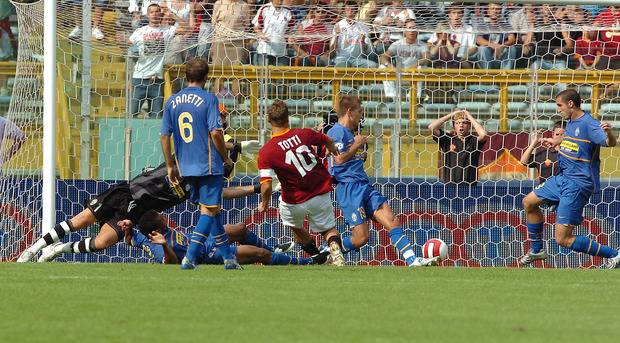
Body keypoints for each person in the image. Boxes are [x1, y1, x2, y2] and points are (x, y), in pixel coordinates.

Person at [15, 159, 260, 263]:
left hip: (135, 212)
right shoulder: (181, 161)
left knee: (102, 243)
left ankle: (60, 249)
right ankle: (32, 250)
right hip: (125, 194)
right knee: (78, 222)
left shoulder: (195, 190)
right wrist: (231, 145)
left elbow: (222, 193)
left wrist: (255, 188)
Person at [327, 95, 436, 267]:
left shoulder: (350, 133)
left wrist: (359, 155)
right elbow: (338, 160)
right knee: (361, 238)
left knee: (392, 220)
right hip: (349, 188)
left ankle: (412, 260)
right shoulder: (336, 132)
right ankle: (326, 253)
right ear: (349, 112)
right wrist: (356, 146)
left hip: (364, 185)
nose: (361, 116)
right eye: (359, 112)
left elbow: (348, 158)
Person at [520, 89, 620, 268]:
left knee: (563, 239)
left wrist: (610, 133)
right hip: (562, 178)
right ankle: (537, 250)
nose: (558, 109)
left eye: (559, 105)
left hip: (577, 184)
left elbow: (608, 143)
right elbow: (573, 137)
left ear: (571, 104)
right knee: (529, 202)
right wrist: (557, 142)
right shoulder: (571, 122)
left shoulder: (589, 123)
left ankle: (614, 254)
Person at [161, 57, 238, 270]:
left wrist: (170, 165)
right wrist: (225, 158)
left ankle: (229, 259)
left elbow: (164, 135)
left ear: (186, 76)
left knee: (212, 211)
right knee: (208, 212)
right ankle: (190, 258)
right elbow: (215, 132)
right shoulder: (209, 99)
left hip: (185, 165)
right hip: (208, 164)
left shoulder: (172, 101)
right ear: (206, 77)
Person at [257, 100, 346, 266]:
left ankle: (318, 257)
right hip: (319, 192)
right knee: (328, 230)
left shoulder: (266, 151)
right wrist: (332, 147)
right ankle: (335, 251)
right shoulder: (304, 133)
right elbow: (325, 138)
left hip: (294, 200)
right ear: (288, 118)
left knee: (295, 226)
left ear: (268, 119)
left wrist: (264, 203)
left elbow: (267, 185)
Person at [129, 210, 327, 265]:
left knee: (240, 228)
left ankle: (275, 249)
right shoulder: (156, 244)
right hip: (209, 253)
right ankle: (307, 262)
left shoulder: (142, 237)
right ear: (156, 232)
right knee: (259, 254)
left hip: (205, 239)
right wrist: (164, 246)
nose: (165, 219)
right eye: (162, 219)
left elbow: (131, 239)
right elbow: (169, 264)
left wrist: (128, 229)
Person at [128, 3, 183, 118]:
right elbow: (129, 44)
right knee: (131, 114)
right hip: (139, 79)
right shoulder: (139, 31)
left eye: (157, 11)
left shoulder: (167, 30)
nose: (154, 14)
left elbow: (188, 28)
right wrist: (134, 50)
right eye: (151, 12)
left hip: (157, 81)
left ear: (161, 14)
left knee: (156, 117)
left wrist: (171, 13)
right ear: (147, 15)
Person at [427, 109, 488, 185]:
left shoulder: (473, 141)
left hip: (469, 188)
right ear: (454, 126)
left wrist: (469, 116)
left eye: (464, 123)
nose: (461, 125)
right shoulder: (447, 140)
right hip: (450, 187)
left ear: (469, 126)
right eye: (457, 123)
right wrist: (452, 114)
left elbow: (484, 135)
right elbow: (431, 127)